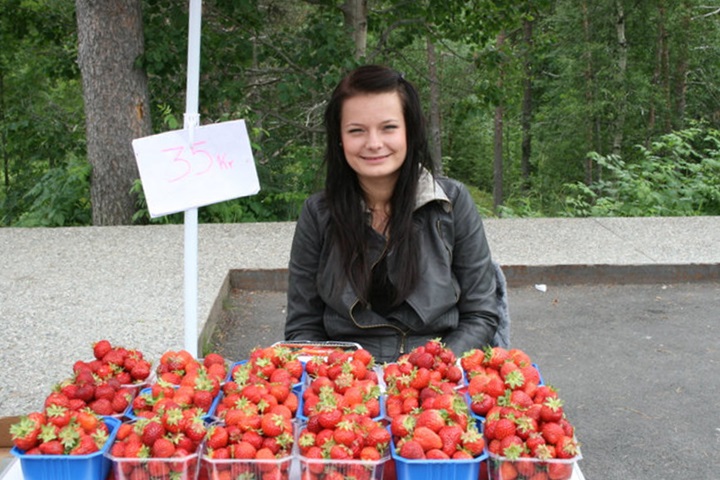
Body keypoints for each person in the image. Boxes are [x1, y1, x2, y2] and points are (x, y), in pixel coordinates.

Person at [284, 65, 499, 363]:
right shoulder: (318, 214)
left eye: (388, 127)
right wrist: (345, 378)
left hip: (438, 375)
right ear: (339, 139)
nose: (374, 143)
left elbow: (481, 314)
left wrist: (430, 369)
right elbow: (302, 328)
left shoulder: (452, 202)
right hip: (347, 382)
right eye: (356, 130)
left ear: (410, 131)